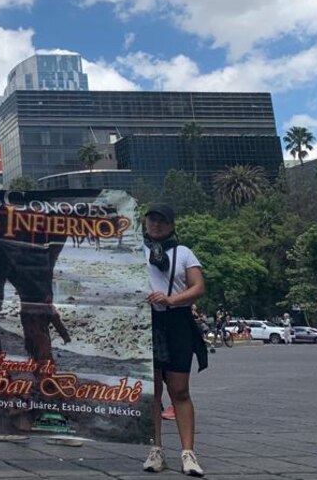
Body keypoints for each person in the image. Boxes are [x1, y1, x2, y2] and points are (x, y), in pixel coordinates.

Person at [141, 204, 207, 477]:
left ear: (171, 225)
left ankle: (188, 453)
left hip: (177, 321)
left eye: (161, 221)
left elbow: (198, 287)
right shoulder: (134, 251)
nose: (155, 225)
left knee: (180, 389)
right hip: (146, 322)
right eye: (151, 220)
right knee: (153, 391)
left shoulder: (183, 253)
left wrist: (171, 299)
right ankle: (155, 449)